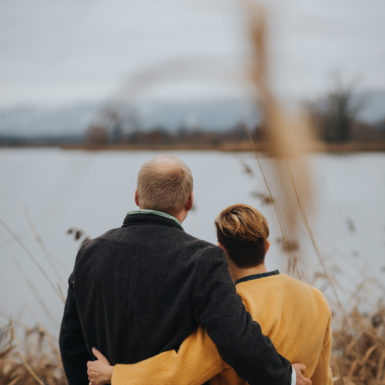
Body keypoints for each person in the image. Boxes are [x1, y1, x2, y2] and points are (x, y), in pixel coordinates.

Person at [59, 155, 306, 385]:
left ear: (137, 197)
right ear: (189, 200)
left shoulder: (89, 253)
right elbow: (236, 339)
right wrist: (287, 377)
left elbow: (71, 342)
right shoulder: (203, 260)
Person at [87, 204, 332, 385]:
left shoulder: (233, 306)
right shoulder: (315, 298)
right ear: (266, 246)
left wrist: (114, 375)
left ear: (221, 251)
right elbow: (323, 377)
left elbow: (181, 369)